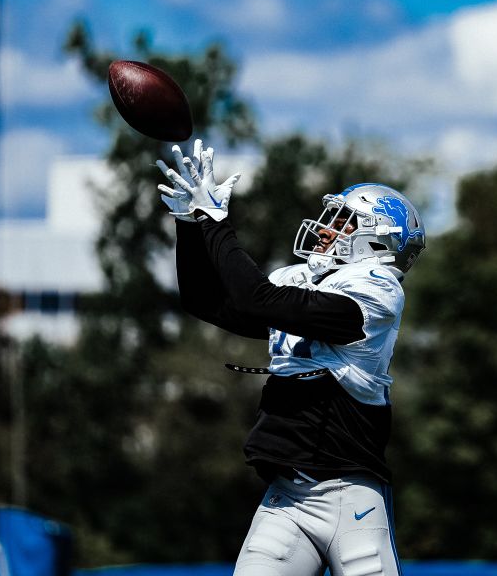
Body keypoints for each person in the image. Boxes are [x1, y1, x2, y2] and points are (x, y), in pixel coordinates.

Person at [156, 139, 426, 576]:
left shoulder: (377, 290)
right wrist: (189, 223)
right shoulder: (304, 278)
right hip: (287, 498)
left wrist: (216, 223)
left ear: (380, 240)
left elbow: (257, 298)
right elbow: (204, 302)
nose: (324, 229)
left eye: (343, 221)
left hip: (350, 498)